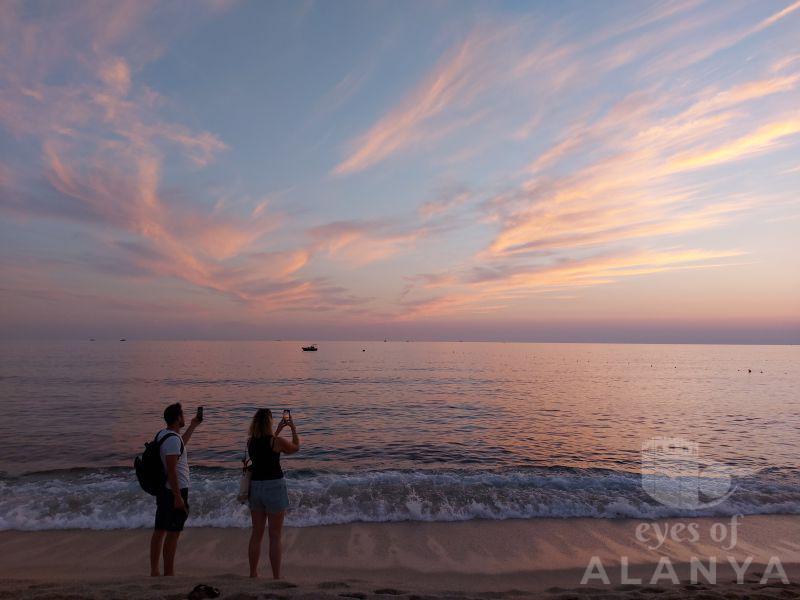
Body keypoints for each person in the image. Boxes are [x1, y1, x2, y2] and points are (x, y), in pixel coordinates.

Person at [149, 402, 202, 576]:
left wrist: (193, 425)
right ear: (178, 418)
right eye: (183, 415)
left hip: (165, 491)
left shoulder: (164, 435)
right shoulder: (172, 439)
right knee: (172, 534)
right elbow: (171, 469)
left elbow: (180, 446)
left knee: (160, 531)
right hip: (174, 491)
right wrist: (178, 497)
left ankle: (155, 571)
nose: (184, 417)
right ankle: (168, 573)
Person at [246, 408, 300, 579]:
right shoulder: (276, 441)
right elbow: (295, 448)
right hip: (274, 487)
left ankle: (253, 574)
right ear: (269, 423)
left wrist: (277, 431)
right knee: (275, 535)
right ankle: (276, 576)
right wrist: (293, 429)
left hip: (255, 487)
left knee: (256, 534)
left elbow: (266, 447)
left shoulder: (250, 442)